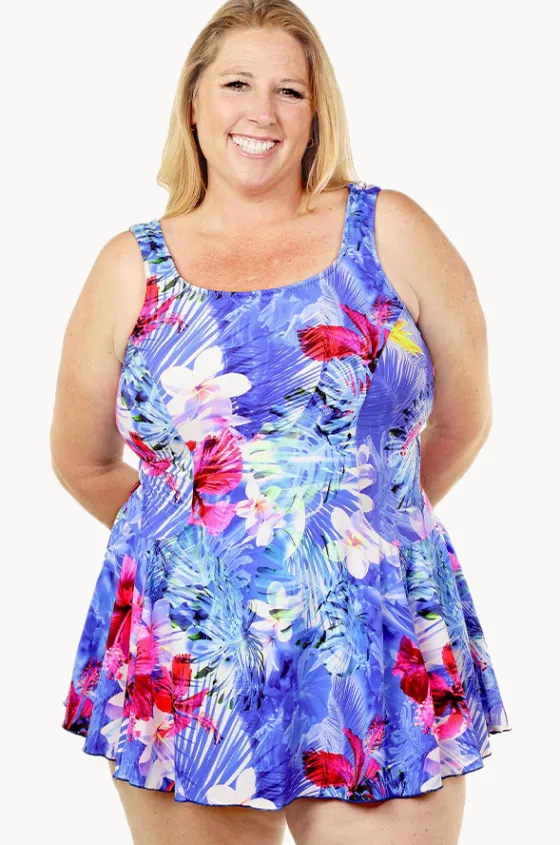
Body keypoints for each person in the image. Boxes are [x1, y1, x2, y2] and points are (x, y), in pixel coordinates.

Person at [50, 1, 511, 843]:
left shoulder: (392, 231)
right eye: (237, 84)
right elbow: (82, 461)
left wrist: (355, 531)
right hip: (190, 655)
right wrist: (202, 547)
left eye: (289, 91)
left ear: (315, 112)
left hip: (372, 639)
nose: (261, 112)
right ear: (194, 103)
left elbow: (466, 418)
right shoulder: (129, 267)